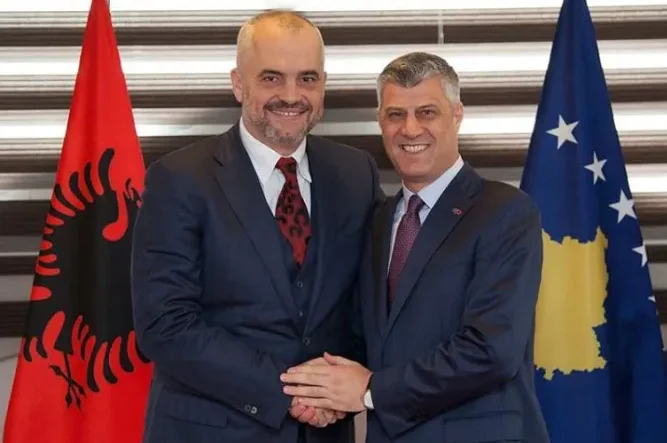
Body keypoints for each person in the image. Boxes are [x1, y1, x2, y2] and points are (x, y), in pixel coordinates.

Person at [130, 10, 382, 443]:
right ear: (237, 83)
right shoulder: (179, 178)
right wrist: (291, 393)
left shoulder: (356, 173)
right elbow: (165, 325)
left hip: (325, 431)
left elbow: (369, 304)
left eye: (307, 79)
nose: (291, 95)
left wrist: (343, 388)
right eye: (271, 78)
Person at [280, 52, 551, 443]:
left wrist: (371, 390)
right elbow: (361, 338)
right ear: (380, 122)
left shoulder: (504, 212)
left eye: (427, 112)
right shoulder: (375, 222)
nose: (410, 129)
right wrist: (323, 394)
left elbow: (492, 350)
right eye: (395, 115)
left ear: (456, 114)